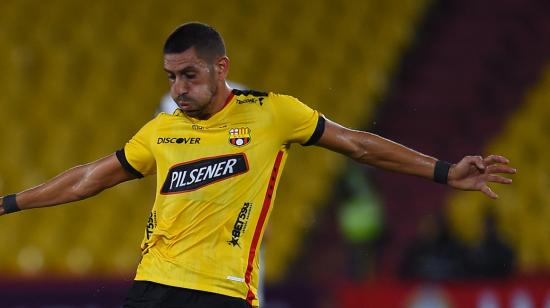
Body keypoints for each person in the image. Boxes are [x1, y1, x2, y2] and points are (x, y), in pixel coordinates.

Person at [0, 22, 516, 308]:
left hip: (224, 294)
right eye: (170, 77)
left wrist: (445, 172)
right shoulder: (160, 131)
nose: (178, 89)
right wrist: (9, 203)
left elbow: (358, 144)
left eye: (188, 75)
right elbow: (91, 177)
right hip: (153, 288)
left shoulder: (273, 113)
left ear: (220, 68)